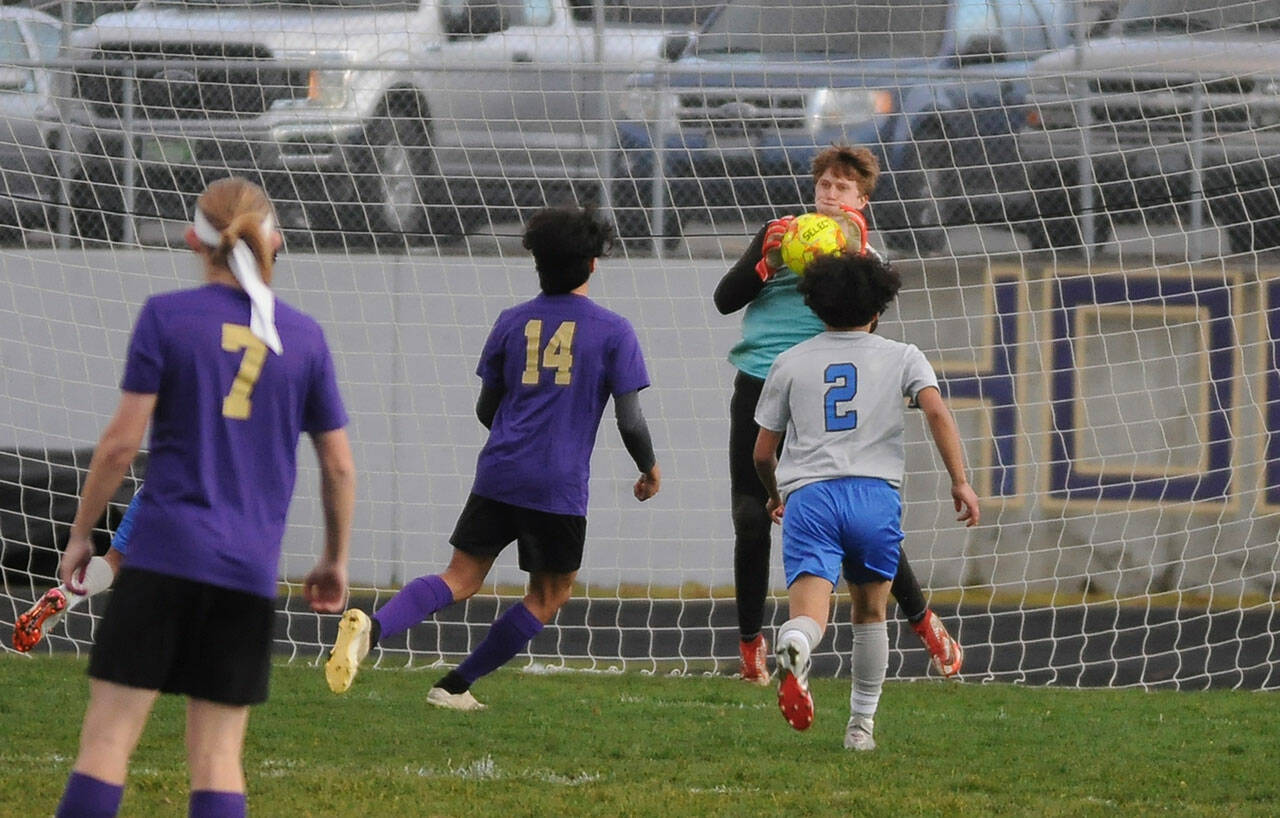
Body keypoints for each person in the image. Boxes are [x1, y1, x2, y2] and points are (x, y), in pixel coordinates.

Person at [52, 176, 356, 818]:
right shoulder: (303, 337)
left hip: (161, 557)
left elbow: (117, 448)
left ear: (194, 240)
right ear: (275, 240)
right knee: (218, 758)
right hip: (246, 572)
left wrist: (83, 535)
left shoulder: (167, 316)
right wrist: (335, 558)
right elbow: (339, 468)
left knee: (107, 743)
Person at [325, 204, 660, 710]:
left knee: (460, 576)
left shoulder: (511, 322)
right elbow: (630, 419)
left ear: (538, 263)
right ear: (594, 263)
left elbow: (487, 408)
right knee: (549, 595)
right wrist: (648, 467)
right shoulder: (614, 332)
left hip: (499, 470)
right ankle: (454, 685)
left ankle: (373, 626)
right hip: (557, 484)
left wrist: (515, 436)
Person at [713, 143, 963, 684]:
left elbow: (865, 326)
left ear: (862, 200)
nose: (830, 195)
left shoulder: (865, 259)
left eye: (843, 188)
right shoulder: (779, 234)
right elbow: (724, 299)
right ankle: (751, 647)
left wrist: (838, 264)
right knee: (750, 516)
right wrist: (769, 261)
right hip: (760, 378)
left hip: (817, 388)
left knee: (859, 516)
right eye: (824, 185)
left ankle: (922, 620)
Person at [753, 251, 980, 750]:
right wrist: (960, 481)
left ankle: (793, 647)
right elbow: (938, 413)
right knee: (870, 615)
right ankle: (861, 728)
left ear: (816, 306)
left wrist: (775, 497)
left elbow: (763, 452)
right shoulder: (902, 355)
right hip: (874, 497)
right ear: (878, 308)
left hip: (810, 498)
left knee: (810, 615)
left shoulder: (789, 362)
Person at [12, 489, 140, 652]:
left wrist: (80, 535)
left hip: (156, 493)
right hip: (181, 504)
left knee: (115, 560)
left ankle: (66, 593)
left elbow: (113, 463)